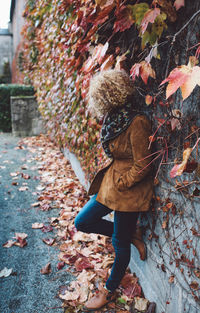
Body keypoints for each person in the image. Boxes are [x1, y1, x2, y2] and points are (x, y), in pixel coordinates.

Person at [74, 69, 154, 311]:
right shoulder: (113, 119)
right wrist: (116, 181)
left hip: (129, 189)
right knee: (82, 222)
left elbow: (145, 163)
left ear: (108, 96)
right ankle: (131, 234)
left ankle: (109, 291)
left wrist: (124, 181)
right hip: (111, 184)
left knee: (119, 245)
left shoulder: (137, 121)